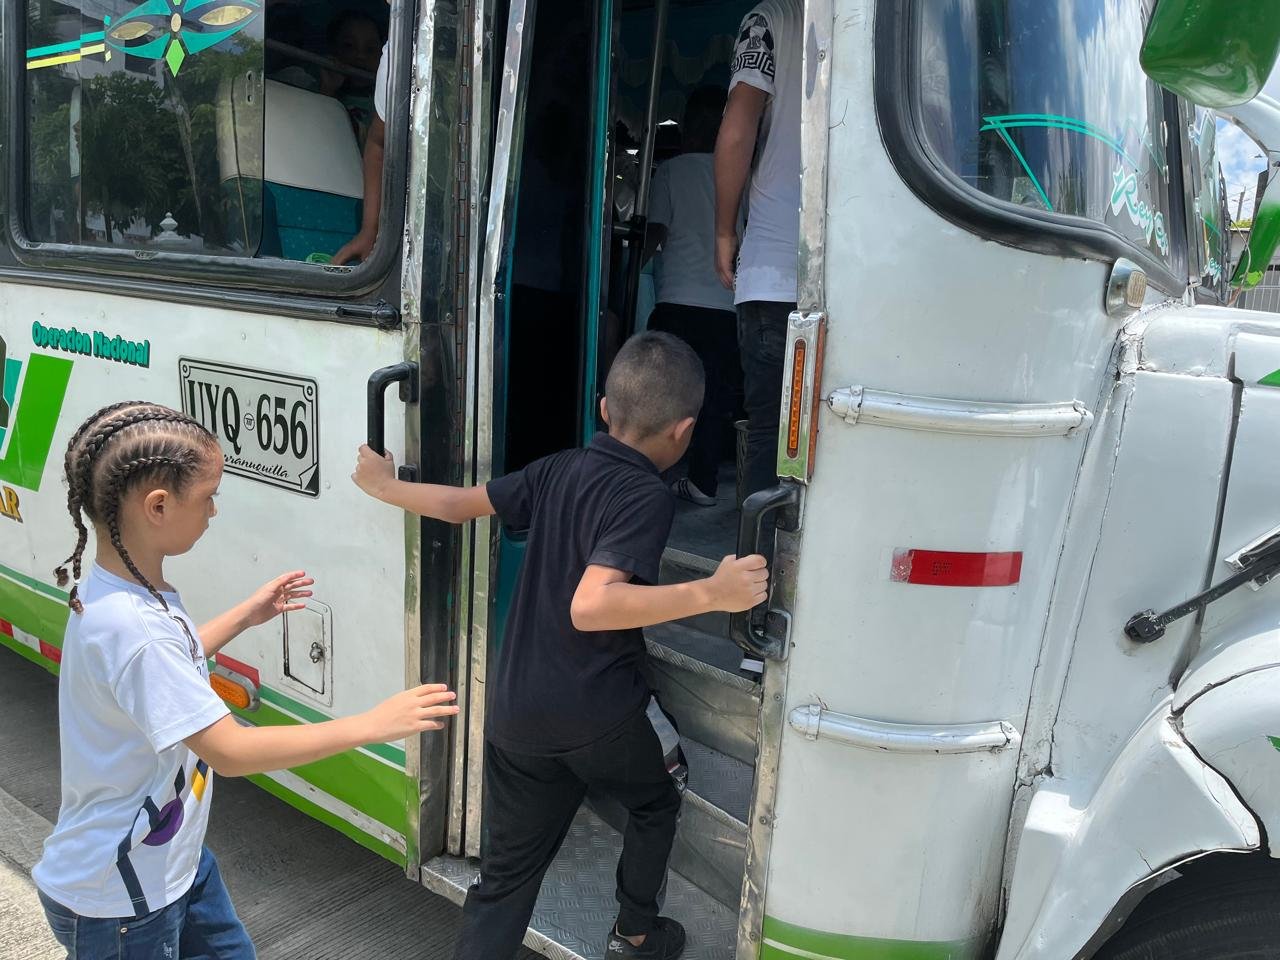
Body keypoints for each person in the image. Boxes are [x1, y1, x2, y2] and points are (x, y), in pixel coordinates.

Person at [353, 332, 769, 960]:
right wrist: (713, 592)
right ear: (684, 431)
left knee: (504, 882)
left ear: (604, 408)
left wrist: (384, 487)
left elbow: (460, 505)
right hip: (601, 717)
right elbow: (592, 604)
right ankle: (634, 935)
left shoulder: (556, 468)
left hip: (516, 715)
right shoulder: (647, 495)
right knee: (659, 794)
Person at [33, 401, 459, 958]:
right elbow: (230, 752)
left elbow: (168, 668)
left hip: (172, 861)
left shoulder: (118, 589)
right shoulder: (136, 630)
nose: (214, 510)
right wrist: (372, 725)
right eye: (208, 496)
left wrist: (244, 615)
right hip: (121, 899)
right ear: (158, 506)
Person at [714, 0, 802, 502]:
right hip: (866, 272)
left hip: (774, 269)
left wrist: (724, 231)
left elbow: (737, 130)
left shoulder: (768, 20)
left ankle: (763, 553)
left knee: (771, 433)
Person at [645, 86, 742, 507]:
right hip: (725, 302)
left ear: (688, 127)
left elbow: (656, 232)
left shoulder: (671, 171)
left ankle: (649, 476)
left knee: (662, 392)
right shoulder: (740, 175)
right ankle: (704, 481)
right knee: (714, 395)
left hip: (676, 301)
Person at [332, 6, 391, 265]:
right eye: (348, 47)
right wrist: (327, 92)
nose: (359, 56)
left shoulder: (388, 88)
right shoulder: (313, 89)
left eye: (370, 50)